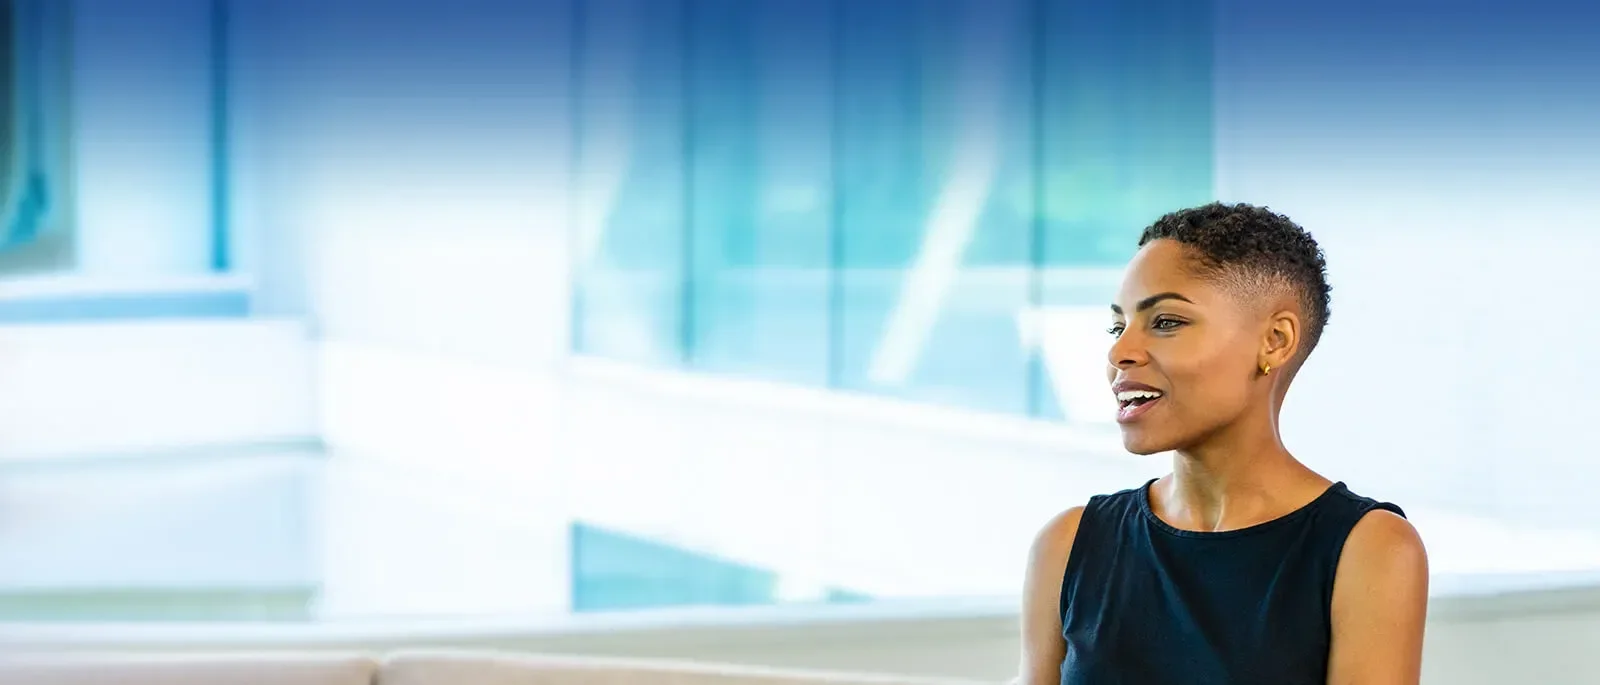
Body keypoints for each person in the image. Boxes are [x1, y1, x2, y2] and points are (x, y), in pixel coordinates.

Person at [1018, 203, 1429, 685]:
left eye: (1166, 321)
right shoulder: (1069, 543)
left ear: (1275, 340)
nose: (1119, 352)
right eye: (1117, 326)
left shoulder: (1370, 549)